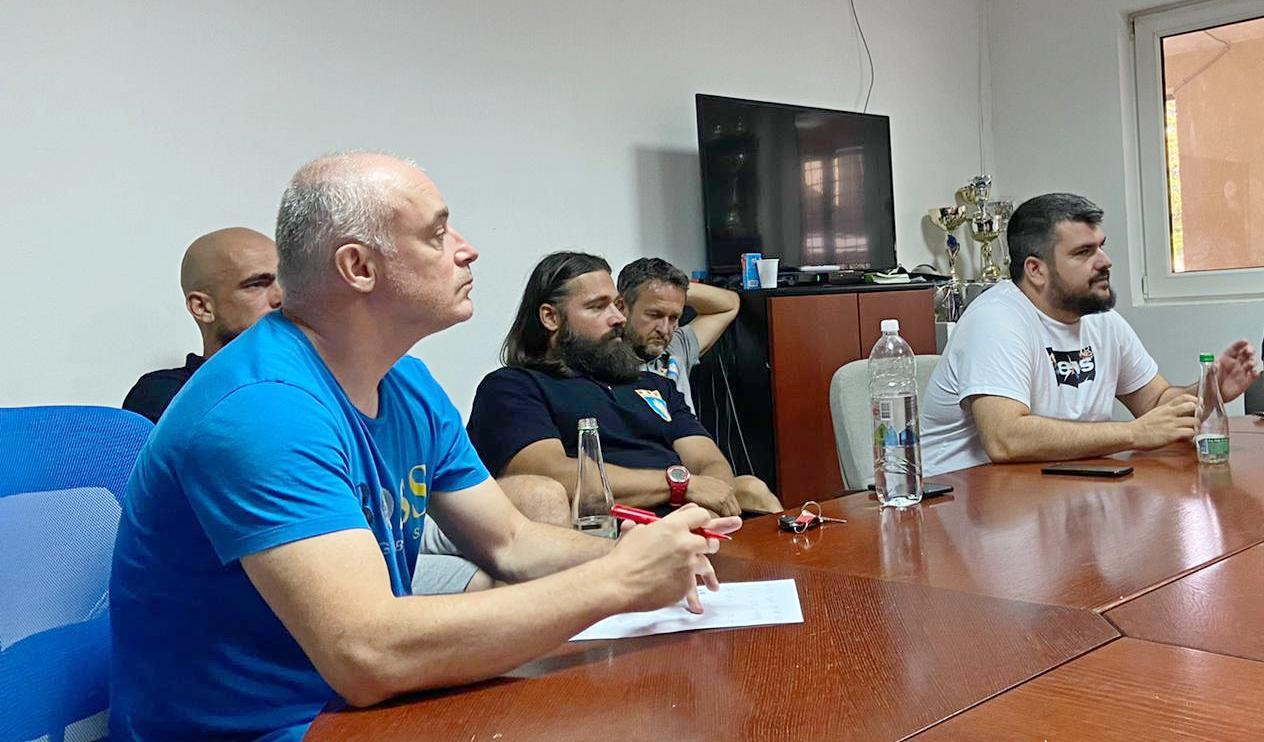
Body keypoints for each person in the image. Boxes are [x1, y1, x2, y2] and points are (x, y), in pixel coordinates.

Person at [109, 152, 740, 741]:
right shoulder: (261, 408)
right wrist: (620, 580)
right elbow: (368, 654)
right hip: (264, 728)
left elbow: (511, 541)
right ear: (358, 268)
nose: (467, 250)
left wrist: (635, 551)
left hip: (351, 710)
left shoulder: (406, 382)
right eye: (438, 234)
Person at [919, 192, 1259, 476]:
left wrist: (1207, 391)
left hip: (1053, 490)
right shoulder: (995, 320)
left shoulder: (1103, 321)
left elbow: (1155, 402)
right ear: (1035, 270)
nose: (1105, 261)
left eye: (1101, 246)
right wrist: (1133, 433)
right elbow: (1005, 439)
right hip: (963, 504)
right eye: (1084, 252)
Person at [467, 252, 782, 518]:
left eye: (618, 305)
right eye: (598, 306)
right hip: (610, 532)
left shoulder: (656, 385)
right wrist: (680, 486)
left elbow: (708, 461)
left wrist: (705, 505)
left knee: (753, 490)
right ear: (551, 318)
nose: (618, 317)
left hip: (687, 519)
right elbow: (553, 475)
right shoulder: (513, 387)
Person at [122, 227, 282, 422]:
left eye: (286, 281)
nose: (281, 297)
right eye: (256, 284)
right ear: (202, 307)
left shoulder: (309, 380)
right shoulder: (169, 396)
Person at [616, 257, 739, 414]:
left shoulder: (675, 347)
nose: (664, 329)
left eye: (673, 318)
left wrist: (674, 291)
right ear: (621, 307)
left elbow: (730, 304)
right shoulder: (603, 361)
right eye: (654, 315)